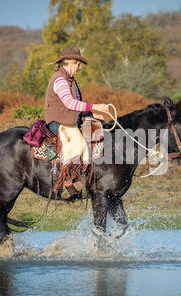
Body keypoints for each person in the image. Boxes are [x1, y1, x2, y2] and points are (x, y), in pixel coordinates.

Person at [44, 47, 110, 198]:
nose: (80, 68)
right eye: (79, 64)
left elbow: (77, 105)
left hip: (68, 121)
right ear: (72, 62)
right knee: (78, 143)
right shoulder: (60, 80)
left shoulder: (70, 80)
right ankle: (67, 182)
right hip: (57, 122)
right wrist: (94, 106)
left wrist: (91, 113)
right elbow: (69, 103)